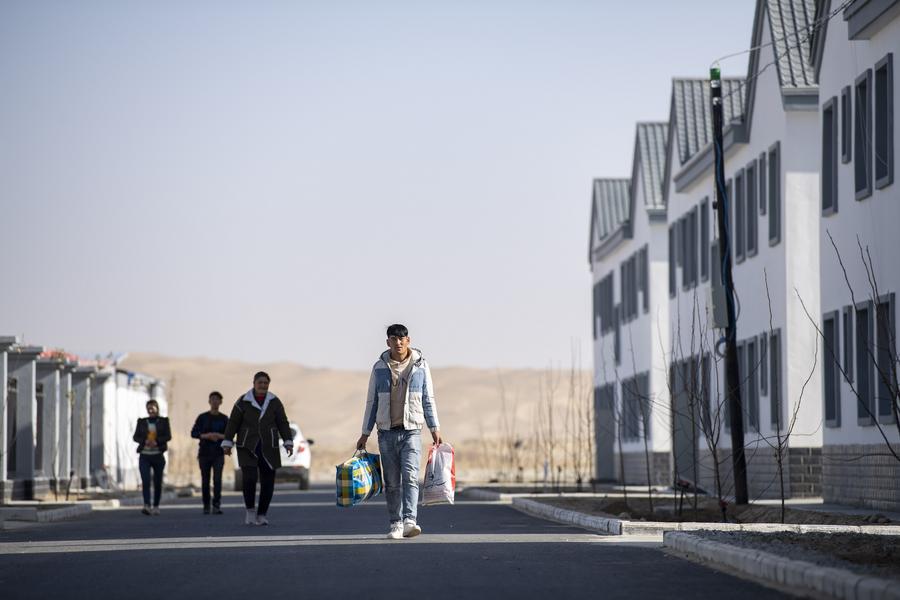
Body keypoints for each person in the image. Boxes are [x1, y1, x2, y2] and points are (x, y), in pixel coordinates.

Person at [356, 324, 442, 539]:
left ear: (409, 340)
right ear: (388, 342)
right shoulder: (379, 368)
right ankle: (395, 523)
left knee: (411, 477)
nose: (399, 342)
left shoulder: (421, 366)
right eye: (394, 338)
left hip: (412, 431)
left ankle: (410, 521)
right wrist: (365, 432)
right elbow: (372, 401)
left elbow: (427, 399)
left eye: (402, 338)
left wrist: (435, 428)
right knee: (392, 482)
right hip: (386, 432)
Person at [221, 371, 294, 526]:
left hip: (269, 447)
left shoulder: (274, 402)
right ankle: (250, 512)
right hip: (247, 446)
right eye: (260, 382)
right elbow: (233, 422)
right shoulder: (243, 401)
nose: (263, 385)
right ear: (254, 383)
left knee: (268, 482)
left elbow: (282, 422)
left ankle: (262, 514)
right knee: (249, 479)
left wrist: (288, 440)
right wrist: (227, 442)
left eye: (265, 383)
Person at [191, 391, 229, 514]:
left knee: (217, 480)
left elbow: (230, 436)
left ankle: (216, 505)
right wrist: (206, 436)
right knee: (205, 480)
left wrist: (219, 435)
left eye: (217, 399)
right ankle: (206, 505)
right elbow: (194, 433)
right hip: (204, 453)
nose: (215, 401)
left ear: (221, 402)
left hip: (218, 453)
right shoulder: (202, 418)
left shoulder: (224, 419)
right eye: (212, 399)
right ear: (209, 401)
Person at [133, 399, 171, 516]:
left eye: (153, 407)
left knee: (157, 481)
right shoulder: (142, 422)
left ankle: (156, 506)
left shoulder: (164, 421)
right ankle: (146, 505)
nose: (151, 410)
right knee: (145, 480)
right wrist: (144, 441)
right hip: (144, 455)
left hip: (158, 455)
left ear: (157, 408)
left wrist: (157, 442)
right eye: (149, 407)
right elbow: (136, 437)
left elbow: (168, 436)